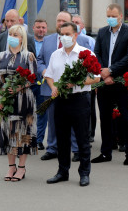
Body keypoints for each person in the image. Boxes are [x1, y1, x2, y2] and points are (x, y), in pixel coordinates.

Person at [45, 22, 100, 187]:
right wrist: (53, 86)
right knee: (62, 139)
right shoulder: (56, 54)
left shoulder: (86, 54)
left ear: (76, 35)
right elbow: (49, 75)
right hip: (61, 101)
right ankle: (62, 171)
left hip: (80, 100)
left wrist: (77, 83)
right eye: (62, 34)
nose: (64, 37)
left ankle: (84, 173)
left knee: (82, 138)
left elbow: (96, 77)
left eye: (68, 34)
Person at [37, 11, 90, 162]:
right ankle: (52, 148)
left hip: (75, 93)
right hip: (51, 88)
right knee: (53, 121)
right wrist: (44, 71)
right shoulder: (47, 41)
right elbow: (40, 60)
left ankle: (76, 149)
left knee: (74, 123)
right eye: (58, 21)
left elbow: (92, 71)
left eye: (64, 21)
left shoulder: (85, 42)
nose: (60, 24)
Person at [92, 3, 128, 165]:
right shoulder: (102, 32)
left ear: (121, 17)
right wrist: (103, 74)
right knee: (104, 117)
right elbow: (96, 53)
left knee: (127, 117)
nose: (110, 19)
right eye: (108, 16)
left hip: (121, 81)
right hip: (104, 82)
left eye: (113, 16)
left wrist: (110, 70)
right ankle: (105, 152)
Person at [0, 24, 37, 181]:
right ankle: (11, 167)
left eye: (16, 35)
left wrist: (19, 87)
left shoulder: (28, 56)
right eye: (11, 34)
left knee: (23, 132)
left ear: (22, 38)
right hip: (6, 100)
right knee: (7, 131)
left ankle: (22, 168)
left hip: (24, 100)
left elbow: (33, 78)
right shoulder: (0, 56)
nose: (12, 37)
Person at [72, 14, 97, 143]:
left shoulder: (89, 40)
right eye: (73, 22)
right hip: (72, 81)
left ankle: (90, 133)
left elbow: (95, 59)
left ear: (82, 26)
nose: (75, 24)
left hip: (88, 80)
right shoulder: (68, 39)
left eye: (77, 22)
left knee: (89, 107)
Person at [32, 19, 48, 151]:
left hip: (44, 81)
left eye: (43, 27)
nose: (41, 30)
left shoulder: (49, 43)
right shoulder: (28, 42)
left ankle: (38, 140)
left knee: (42, 112)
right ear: (33, 28)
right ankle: (26, 139)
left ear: (46, 29)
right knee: (26, 112)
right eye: (38, 27)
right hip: (29, 82)